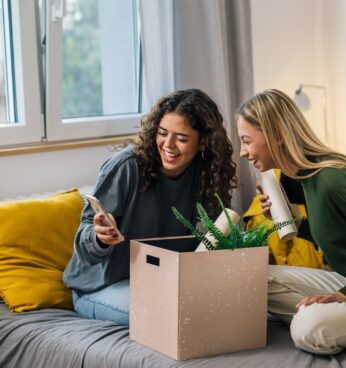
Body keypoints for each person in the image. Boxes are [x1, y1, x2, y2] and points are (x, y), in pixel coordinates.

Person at [63, 88, 238, 326]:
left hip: (160, 281)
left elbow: (222, 232)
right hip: (100, 286)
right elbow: (85, 234)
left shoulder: (206, 173)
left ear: (203, 142)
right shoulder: (126, 167)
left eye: (182, 138)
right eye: (162, 133)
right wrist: (100, 237)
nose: (168, 144)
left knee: (224, 308)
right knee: (171, 316)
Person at [236, 89, 346, 355]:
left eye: (247, 141)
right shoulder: (306, 177)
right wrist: (291, 223)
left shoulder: (333, 179)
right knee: (252, 278)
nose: (242, 152)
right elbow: (333, 234)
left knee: (306, 329)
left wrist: (345, 296)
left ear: (277, 135)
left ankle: (333, 318)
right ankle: (338, 317)